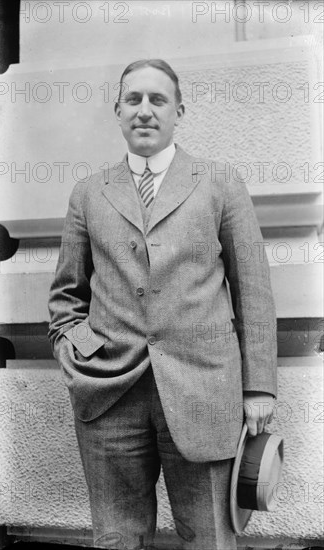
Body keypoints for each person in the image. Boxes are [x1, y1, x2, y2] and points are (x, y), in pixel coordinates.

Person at [48, 59, 277, 550]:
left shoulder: (220, 181)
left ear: (179, 111)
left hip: (205, 390)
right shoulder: (88, 193)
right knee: (116, 538)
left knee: (211, 537)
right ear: (118, 111)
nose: (145, 111)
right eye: (134, 99)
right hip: (110, 395)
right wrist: (79, 355)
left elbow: (253, 288)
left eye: (158, 100)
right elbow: (66, 296)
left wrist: (259, 387)